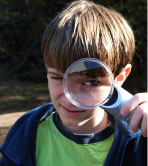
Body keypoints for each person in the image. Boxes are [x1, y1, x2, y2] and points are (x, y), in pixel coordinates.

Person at [0, 0, 147, 165]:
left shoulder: (140, 145)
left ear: (119, 78)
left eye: (91, 82)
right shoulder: (25, 132)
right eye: (57, 78)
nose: (71, 98)